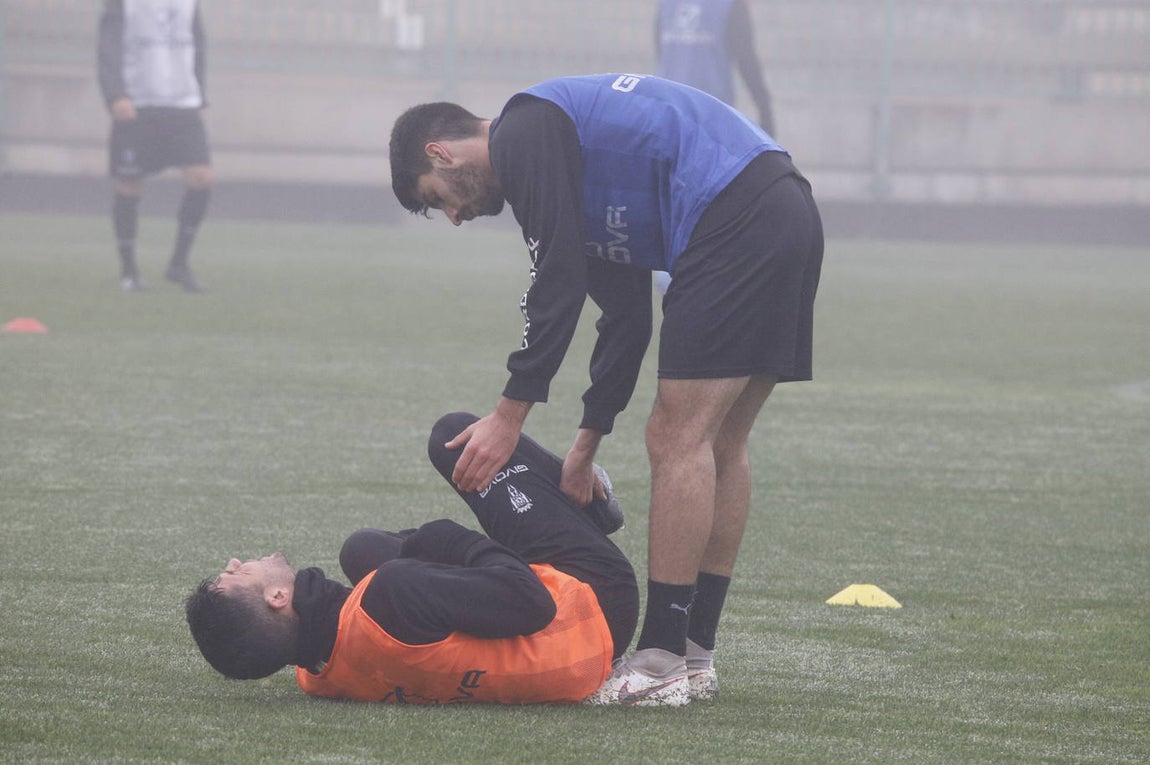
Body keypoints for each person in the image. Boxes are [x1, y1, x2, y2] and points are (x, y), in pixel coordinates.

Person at [389, 73, 823, 706]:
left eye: (439, 201)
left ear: (440, 153)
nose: (455, 218)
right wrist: (585, 446)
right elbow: (625, 318)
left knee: (677, 438)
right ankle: (693, 656)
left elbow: (556, 282)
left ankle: (657, 662)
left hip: (735, 215)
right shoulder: (559, 163)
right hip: (782, 207)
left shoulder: (524, 129)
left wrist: (509, 416)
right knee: (720, 442)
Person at [185, 412, 639, 706]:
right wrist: (445, 539)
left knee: (360, 548)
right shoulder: (393, 592)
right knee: (454, 437)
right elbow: (533, 601)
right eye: (235, 575)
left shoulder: (318, 675)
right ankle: (589, 501)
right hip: (592, 607)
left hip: (548, 640)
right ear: (278, 597)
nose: (235, 561)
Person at [97, 0, 212, 293]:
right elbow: (108, 46)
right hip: (137, 102)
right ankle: (129, 270)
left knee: (202, 178)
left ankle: (179, 264)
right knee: (130, 184)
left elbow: (197, 40)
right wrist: (114, 94)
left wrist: (199, 88)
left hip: (182, 103)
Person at [656, 0, 776, 136]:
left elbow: (662, 54)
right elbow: (746, 61)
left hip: (669, 108)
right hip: (712, 110)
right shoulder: (731, 5)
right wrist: (765, 110)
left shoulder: (666, 4)